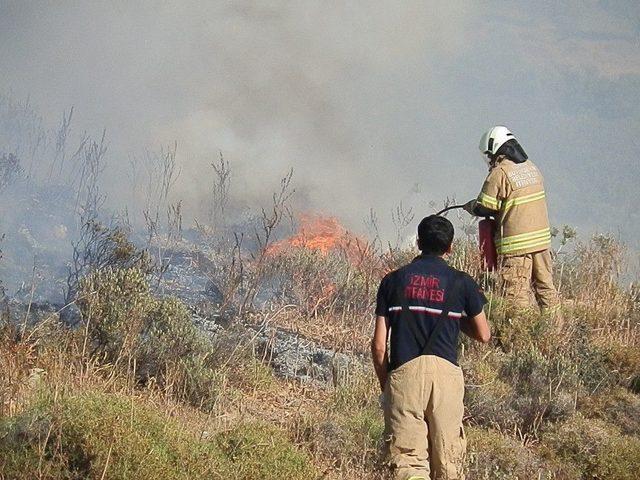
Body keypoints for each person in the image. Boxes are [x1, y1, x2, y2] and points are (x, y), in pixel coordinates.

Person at [371, 215, 490, 480]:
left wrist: (388, 384)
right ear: (450, 248)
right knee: (448, 462)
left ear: (417, 242)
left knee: (407, 464)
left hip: (404, 374)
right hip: (446, 377)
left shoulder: (392, 281)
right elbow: (484, 334)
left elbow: (379, 347)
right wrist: (452, 318)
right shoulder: (462, 283)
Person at [463, 125, 559, 312]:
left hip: (516, 247)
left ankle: (518, 334)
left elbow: (485, 207)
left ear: (495, 150)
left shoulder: (500, 173)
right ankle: (554, 330)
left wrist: (471, 206)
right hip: (541, 243)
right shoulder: (532, 168)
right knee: (546, 289)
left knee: (515, 296)